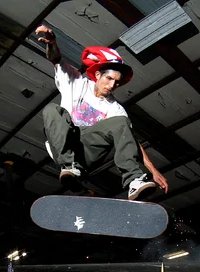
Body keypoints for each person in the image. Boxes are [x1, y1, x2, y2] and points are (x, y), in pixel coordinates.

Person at [35, 25, 168, 200]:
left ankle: (134, 180)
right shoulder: (77, 82)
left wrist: (153, 170)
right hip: (65, 146)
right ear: (97, 75)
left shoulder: (115, 108)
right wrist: (52, 44)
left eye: (117, 83)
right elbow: (56, 60)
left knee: (121, 122)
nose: (112, 86)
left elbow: (130, 140)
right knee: (52, 109)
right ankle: (70, 167)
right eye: (109, 79)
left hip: (88, 152)